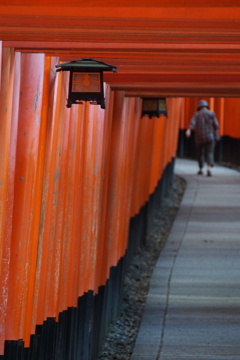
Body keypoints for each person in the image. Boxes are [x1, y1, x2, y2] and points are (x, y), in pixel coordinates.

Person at [185, 100, 220, 177]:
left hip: (199, 138)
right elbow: (216, 125)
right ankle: (209, 168)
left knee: (200, 153)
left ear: (199, 107)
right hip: (210, 137)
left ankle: (201, 169)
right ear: (206, 107)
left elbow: (192, 122)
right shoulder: (211, 114)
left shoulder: (196, 115)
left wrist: (189, 130)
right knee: (210, 152)